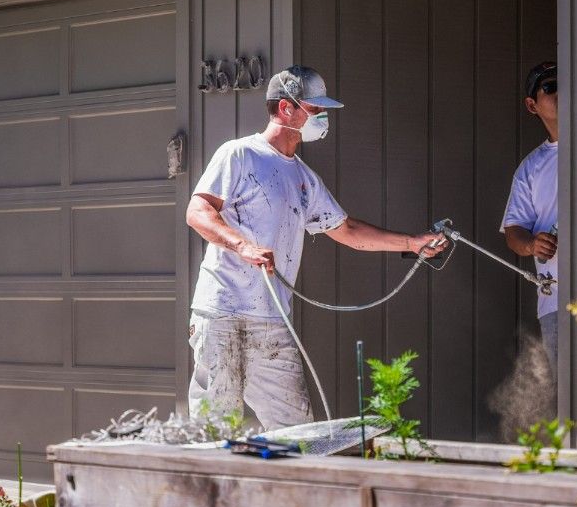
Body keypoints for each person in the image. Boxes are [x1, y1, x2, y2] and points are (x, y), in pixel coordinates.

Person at [185, 65, 448, 430]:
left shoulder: (304, 178)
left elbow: (348, 229)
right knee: (215, 426)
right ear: (284, 109)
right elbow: (198, 211)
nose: (322, 117)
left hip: (272, 322)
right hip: (222, 313)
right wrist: (242, 245)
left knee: (296, 430)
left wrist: (412, 243)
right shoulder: (239, 155)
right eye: (315, 109)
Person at [502, 62, 561, 395]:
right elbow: (514, 232)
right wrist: (531, 245)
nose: (562, 93)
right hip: (556, 302)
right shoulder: (531, 167)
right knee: (571, 396)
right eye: (550, 88)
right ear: (532, 105)